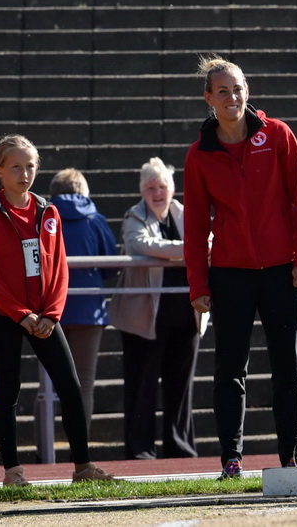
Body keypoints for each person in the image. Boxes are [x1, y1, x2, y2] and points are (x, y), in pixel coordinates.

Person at [183, 56, 297, 479]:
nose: (232, 96)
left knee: (288, 369)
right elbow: (193, 226)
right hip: (230, 273)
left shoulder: (278, 134)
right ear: (208, 98)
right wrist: (198, 285)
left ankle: (291, 458)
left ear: (248, 91)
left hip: (283, 271)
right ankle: (232, 459)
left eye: (237, 88)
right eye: (222, 90)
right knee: (229, 369)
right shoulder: (199, 155)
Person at [0, 134, 115, 486]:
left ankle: (83, 468)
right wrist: (19, 313)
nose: (24, 174)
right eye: (16, 167)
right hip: (8, 315)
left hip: (45, 317)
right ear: (0, 171)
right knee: (8, 390)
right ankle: (13, 472)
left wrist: (51, 314)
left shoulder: (48, 211)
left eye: (30, 166)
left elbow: (59, 267)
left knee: (69, 386)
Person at [110, 157, 202, 459]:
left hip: (186, 317)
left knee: (181, 388)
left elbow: (208, 239)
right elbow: (142, 245)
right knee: (141, 387)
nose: (157, 192)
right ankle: (140, 451)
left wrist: (183, 249)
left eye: (162, 186)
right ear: (142, 191)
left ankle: (180, 448)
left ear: (172, 189)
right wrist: (189, 250)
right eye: (151, 187)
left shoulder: (186, 214)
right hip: (144, 320)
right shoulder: (133, 216)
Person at [48, 167, 118, 432]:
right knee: (84, 383)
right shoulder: (95, 219)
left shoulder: (44, 217)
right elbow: (111, 265)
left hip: (50, 310)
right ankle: (80, 453)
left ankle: (44, 453)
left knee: (48, 384)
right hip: (89, 309)